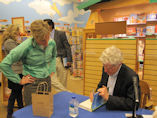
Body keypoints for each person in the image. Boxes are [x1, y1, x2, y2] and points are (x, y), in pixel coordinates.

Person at [0, 20, 56, 106]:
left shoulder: (51, 43)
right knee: (31, 111)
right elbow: (4, 64)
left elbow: (53, 56)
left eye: (47, 38)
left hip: (46, 82)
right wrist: (19, 80)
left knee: (45, 108)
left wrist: (51, 69)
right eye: (42, 41)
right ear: (35, 38)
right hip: (32, 84)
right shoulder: (25, 46)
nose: (46, 44)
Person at [92, 45, 140, 111]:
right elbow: (101, 86)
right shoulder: (106, 69)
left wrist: (109, 98)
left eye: (108, 68)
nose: (105, 70)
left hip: (119, 111)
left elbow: (133, 104)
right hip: (105, 108)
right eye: (104, 66)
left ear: (119, 64)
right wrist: (96, 95)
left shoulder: (131, 77)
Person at [44, 19, 72, 92]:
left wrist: (69, 60)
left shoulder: (60, 34)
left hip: (60, 59)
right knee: (52, 80)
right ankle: (66, 93)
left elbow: (67, 47)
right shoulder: (44, 35)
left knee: (62, 80)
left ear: (50, 26)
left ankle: (63, 96)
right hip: (49, 61)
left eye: (45, 25)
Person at [2, 24, 23, 118]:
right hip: (15, 71)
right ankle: (9, 114)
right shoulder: (9, 42)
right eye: (17, 31)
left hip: (17, 70)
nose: (19, 33)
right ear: (13, 32)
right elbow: (18, 53)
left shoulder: (12, 41)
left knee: (18, 93)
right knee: (15, 93)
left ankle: (21, 110)